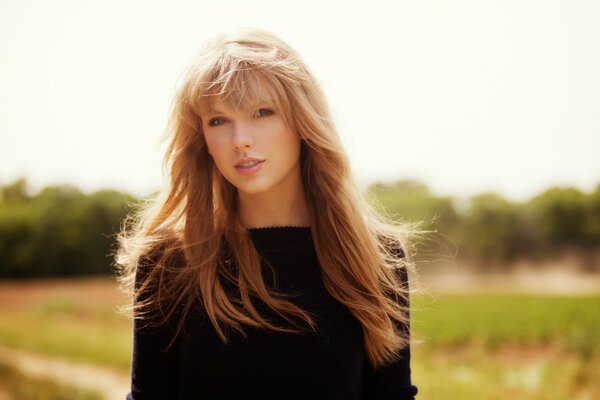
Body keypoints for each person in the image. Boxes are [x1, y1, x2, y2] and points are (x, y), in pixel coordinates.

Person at [116, 27, 422, 399]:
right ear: (203, 141)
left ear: (303, 121)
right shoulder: (168, 262)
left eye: (262, 112)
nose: (240, 138)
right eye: (218, 120)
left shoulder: (377, 259)